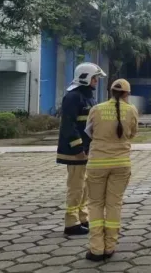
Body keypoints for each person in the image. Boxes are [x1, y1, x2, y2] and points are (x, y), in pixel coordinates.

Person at [84, 79, 139, 261]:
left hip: (97, 164)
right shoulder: (131, 110)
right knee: (114, 204)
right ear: (127, 94)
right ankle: (110, 247)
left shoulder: (96, 109)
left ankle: (96, 248)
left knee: (95, 204)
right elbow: (132, 133)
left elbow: (89, 132)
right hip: (121, 164)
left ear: (110, 92)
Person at [56, 62, 106, 236]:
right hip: (74, 151)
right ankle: (71, 222)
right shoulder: (73, 97)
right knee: (76, 186)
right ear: (85, 78)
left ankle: (83, 217)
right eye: (94, 78)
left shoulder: (89, 97)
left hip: (87, 149)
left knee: (85, 186)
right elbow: (68, 125)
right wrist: (78, 147)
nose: (96, 81)